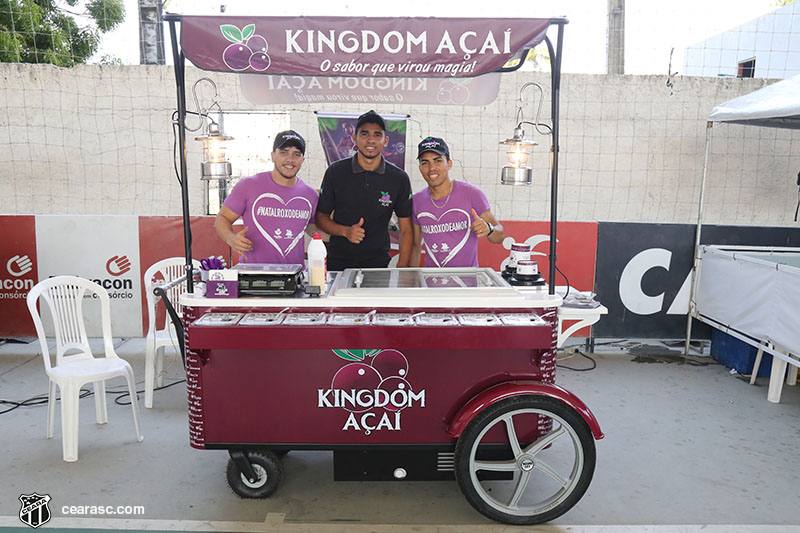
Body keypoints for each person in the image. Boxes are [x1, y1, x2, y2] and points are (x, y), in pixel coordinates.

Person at [315, 110, 413, 270]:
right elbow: (321, 218)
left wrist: (401, 268)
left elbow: (406, 230)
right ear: (355, 138)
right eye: (365, 134)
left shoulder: (399, 178)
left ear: (386, 140)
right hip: (337, 264)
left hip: (378, 265)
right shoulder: (335, 172)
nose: (371, 140)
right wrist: (346, 231)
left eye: (377, 135)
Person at [214, 130, 318, 264]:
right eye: (284, 152)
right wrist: (231, 239)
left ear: (302, 160)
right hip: (253, 276)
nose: (290, 159)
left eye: (296, 154)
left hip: (294, 277)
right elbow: (222, 218)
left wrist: (343, 230)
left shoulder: (310, 194)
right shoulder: (248, 186)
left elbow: (314, 229)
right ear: (273, 156)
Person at [410, 137, 505, 267]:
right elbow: (415, 246)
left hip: (466, 284)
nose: (431, 168)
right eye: (425, 162)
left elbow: (500, 236)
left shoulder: (471, 194)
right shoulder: (417, 201)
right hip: (431, 283)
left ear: (449, 164)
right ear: (420, 167)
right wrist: (411, 281)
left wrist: (489, 228)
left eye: (437, 161)